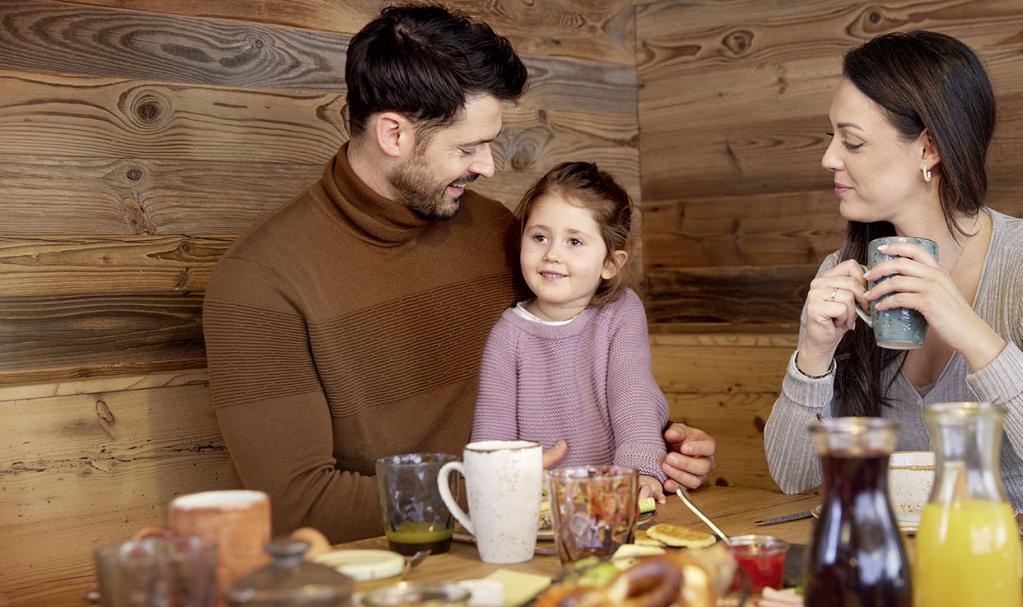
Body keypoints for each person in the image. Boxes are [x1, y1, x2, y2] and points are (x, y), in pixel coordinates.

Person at [203, 4, 715, 543]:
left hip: (550, 540)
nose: (488, 167)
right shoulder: (259, 282)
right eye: (468, 147)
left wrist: (659, 451)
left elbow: (576, 366)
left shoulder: (499, 233)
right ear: (394, 134)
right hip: (394, 567)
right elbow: (298, 505)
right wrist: (497, 491)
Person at [762, 31, 1023, 523]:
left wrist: (973, 336)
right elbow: (792, 476)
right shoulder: (845, 273)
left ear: (929, 149)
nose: (829, 158)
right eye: (833, 137)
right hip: (907, 554)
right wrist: (813, 357)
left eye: (852, 141)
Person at [472, 162, 669, 500]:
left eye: (574, 241)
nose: (552, 254)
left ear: (611, 264)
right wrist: (510, 479)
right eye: (539, 237)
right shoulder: (508, 334)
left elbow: (633, 395)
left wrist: (640, 471)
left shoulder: (621, 311)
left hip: (615, 496)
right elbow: (492, 431)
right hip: (539, 503)